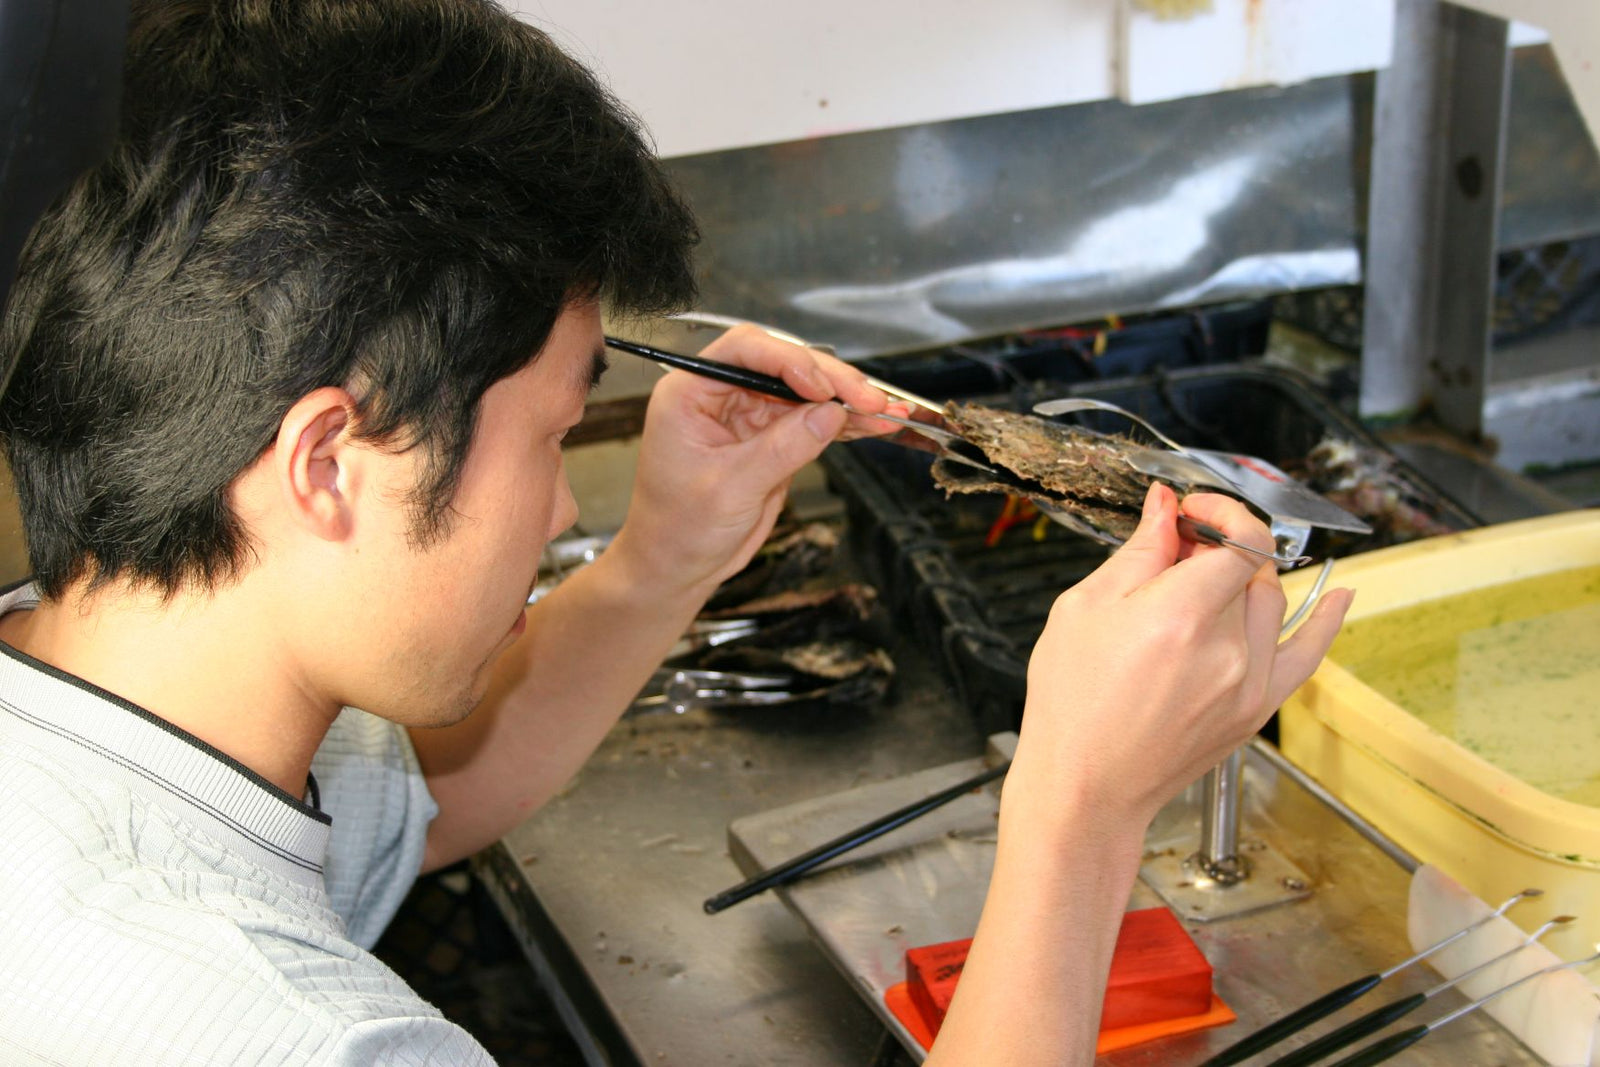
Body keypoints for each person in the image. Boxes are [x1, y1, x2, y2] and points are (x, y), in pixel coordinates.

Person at [0, 0, 1351, 1063]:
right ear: (327, 464)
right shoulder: (295, 1042)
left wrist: (666, 556)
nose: (556, 509)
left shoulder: (96, 713)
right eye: (545, 440)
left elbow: (414, 808)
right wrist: (1081, 808)